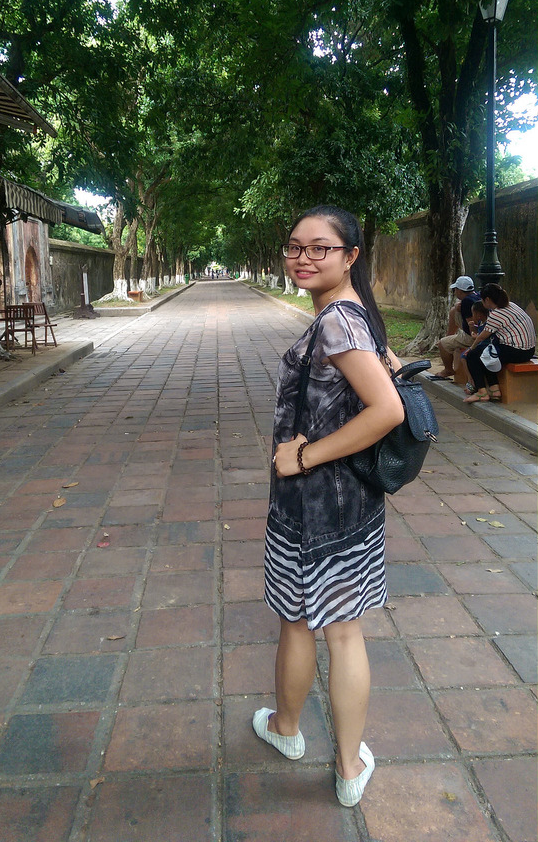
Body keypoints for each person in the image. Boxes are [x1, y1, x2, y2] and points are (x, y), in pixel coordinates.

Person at [252, 205, 404, 807]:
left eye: (321, 248)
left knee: (315, 626)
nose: (304, 258)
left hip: (316, 498)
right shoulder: (353, 314)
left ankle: (303, 738)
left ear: (350, 256)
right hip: (345, 504)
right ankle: (336, 761)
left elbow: (387, 410)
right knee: (334, 628)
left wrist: (306, 456)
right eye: (295, 246)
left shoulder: (339, 321)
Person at [464, 283, 536, 403]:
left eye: (483, 300)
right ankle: (494, 390)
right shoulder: (512, 305)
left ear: (487, 300)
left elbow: (481, 337)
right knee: (487, 353)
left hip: (516, 351)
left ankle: (482, 392)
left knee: (474, 355)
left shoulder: (496, 314)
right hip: (529, 350)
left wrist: (471, 348)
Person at [431, 276, 481, 380]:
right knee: (454, 311)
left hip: (473, 336)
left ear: (459, 290)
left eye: (455, 290)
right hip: (480, 331)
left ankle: (448, 369)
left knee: (442, 344)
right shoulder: (477, 295)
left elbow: (472, 324)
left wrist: (474, 337)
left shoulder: (467, 302)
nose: (454, 292)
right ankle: (450, 337)